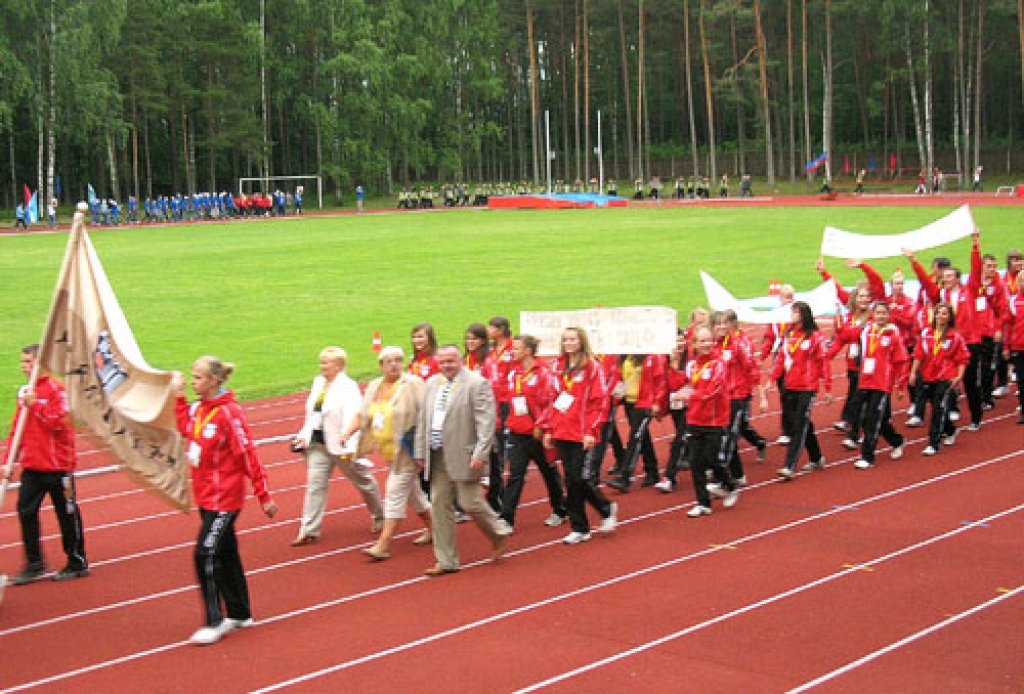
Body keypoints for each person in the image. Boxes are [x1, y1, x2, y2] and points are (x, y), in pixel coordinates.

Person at [172, 357, 278, 646]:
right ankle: (241, 612)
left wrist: (263, 494)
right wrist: (179, 397)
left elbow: (248, 455)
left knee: (204, 553)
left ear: (214, 381)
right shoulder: (198, 409)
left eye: (197, 378)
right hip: (205, 497)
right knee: (227, 552)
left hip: (225, 499)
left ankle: (214, 620)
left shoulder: (229, 414)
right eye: (192, 377)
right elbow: (186, 428)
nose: (193, 382)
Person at [414, 344, 511, 576]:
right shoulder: (432, 384)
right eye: (443, 361)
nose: (446, 365)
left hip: (463, 453)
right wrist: (420, 450)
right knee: (439, 505)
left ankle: (498, 531)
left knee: (470, 502)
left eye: (451, 361)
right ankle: (446, 561)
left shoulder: (476, 383)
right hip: (436, 454)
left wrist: (480, 452)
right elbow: (423, 420)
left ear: (461, 361)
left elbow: (486, 422)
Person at [5, 344, 88, 585]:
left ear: (43, 364)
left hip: (58, 467)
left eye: (30, 362)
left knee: (67, 514)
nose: (25, 367)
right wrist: (9, 460)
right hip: (32, 467)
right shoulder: (25, 392)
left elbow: (58, 422)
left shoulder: (57, 390)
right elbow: (15, 430)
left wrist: (36, 405)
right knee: (25, 511)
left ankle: (77, 561)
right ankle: (34, 563)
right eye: (23, 362)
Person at [290, 347, 383, 546]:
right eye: (321, 362)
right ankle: (309, 530)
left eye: (326, 363)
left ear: (339, 366)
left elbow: (353, 414)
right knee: (315, 485)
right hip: (318, 445)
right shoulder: (318, 382)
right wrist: (303, 436)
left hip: (340, 445)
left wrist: (349, 445)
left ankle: (380, 516)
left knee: (363, 481)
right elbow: (312, 415)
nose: (321, 366)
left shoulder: (348, 387)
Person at [538, 327, 617, 545]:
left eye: (573, 339)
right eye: (565, 340)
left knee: (577, 479)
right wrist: (549, 429)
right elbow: (552, 399)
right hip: (562, 430)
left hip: (582, 433)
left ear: (581, 341)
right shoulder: (558, 367)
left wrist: (592, 430)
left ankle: (581, 526)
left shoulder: (592, 368)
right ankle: (602, 511)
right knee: (572, 480)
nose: (569, 343)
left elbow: (600, 401)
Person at [358, 347, 433, 560]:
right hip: (389, 452)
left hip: (409, 452)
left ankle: (383, 544)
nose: (394, 364)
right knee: (414, 495)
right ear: (381, 365)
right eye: (389, 361)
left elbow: (427, 414)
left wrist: (425, 447)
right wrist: (350, 435)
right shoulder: (374, 386)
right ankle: (437, 530)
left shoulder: (413, 384)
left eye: (398, 360)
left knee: (394, 492)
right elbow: (365, 415)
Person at [500, 335, 567, 529]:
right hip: (517, 431)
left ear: (528, 351)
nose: (512, 352)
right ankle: (506, 518)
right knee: (515, 475)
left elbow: (550, 402)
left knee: (549, 472)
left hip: (536, 434)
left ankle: (560, 509)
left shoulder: (544, 373)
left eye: (517, 349)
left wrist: (542, 425)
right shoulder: (514, 373)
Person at [834, 303, 909, 469]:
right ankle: (897, 441)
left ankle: (867, 457)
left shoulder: (892, 334)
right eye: (878, 313)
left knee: (873, 418)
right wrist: (838, 317)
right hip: (865, 380)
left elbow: (901, 360)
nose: (881, 316)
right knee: (869, 417)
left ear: (888, 315)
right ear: (872, 314)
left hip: (882, 383)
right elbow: (845, 334)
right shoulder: (866, 331)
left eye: (884, 313)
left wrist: (901, 384)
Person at [676, 326, 738, 517]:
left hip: (714, 421)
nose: (706, 344)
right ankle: (703, 503)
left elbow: (711, 392)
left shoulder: (718, 364)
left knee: (712, 459)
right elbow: (684, 383)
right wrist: (673, 364)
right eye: (701, 341)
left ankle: (730, 485)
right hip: (694, 419)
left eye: (708, 340)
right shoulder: (692, 364)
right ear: (694, 343)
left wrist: (688, 397)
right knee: (695, 462)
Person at [767, 302, 830, 479]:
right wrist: (772, 379)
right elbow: (781, 359)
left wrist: (828, 387)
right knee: (802, 423)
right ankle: (816, 457)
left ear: (803, 315)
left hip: (807, 387)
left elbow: (823, 362)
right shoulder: (789, 334)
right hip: (790, 385)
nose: (792, 315)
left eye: (795, 312)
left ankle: (789, 465)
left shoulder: (815, 337)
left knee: (799, 425)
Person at [909, 303, 970, 454]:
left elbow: (962, 358)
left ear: (949, 317)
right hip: (928, 375)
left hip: (946, 376)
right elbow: (918, 354)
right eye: (939, 313)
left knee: (938, 408)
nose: (941, 316)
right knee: (934, 405)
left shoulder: (954, 336)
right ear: (934, 315)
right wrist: (913, 372)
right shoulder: (927, 333)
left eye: (944, 314)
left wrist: (959, 375)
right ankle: (950, 430)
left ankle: (933, 443)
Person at [606, 352, 667, 492]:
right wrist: (614, 398)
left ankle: (624, 476)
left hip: (645, 403)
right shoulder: (623, 356)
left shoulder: (652, 357)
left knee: (635, 438)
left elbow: (660, 381)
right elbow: (619, 378)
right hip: (629, 402)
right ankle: (652, 471)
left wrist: (657, 402)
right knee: (642, 436)